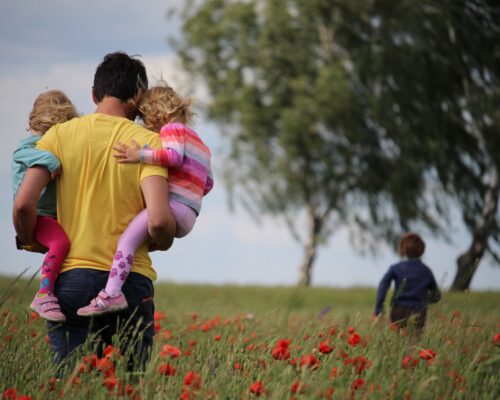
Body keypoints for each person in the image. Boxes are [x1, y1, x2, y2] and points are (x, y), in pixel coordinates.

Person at [13, 52, 176, 370]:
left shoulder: (57, 136)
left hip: (71, 279)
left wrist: (29, 237)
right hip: (130, 283)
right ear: (138, 97)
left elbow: (22, 203)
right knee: (127, 388)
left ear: (93, 94)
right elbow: (157, 221)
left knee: (72, 385)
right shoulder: (148, 144)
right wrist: (166, 237)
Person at [77, 82, 213, 316]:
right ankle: (118, 281)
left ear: (157, 113)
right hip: (190, 213)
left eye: (146, 118)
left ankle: (111, 293)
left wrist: (138, 155)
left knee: (126, 241)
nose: (146, 125)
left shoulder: (172, 130)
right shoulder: (201, 144)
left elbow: (173, 157)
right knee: (138, 241)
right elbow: (208, 183)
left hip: (174, 207)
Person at [12, 90, 77, 322]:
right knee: (60, 242)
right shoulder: (32, 145)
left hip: (51, 215)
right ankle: (44, 293)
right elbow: (21, 153)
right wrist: (51, 161)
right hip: (38, 215)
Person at [374, 232, 441, 333]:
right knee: (414, 343)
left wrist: (379, 309)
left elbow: (383, 286)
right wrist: (423, 300)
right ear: (421, 250)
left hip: (398, 310)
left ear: (402, 249)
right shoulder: (426, 271)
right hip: (418, 312)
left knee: (398, 342)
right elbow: (436, 296)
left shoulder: (395, 268)